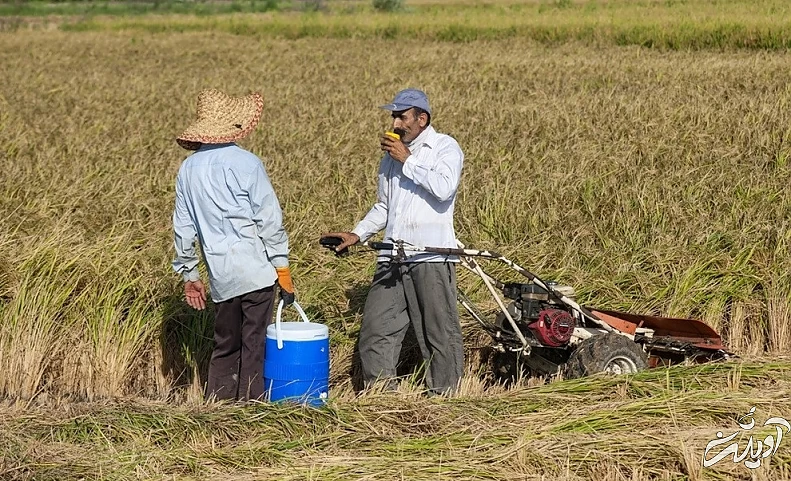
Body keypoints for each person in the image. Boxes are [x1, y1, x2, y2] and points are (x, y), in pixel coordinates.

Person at [325, 88, 465, 395]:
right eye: (394, 116)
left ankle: (448, 398)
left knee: (438, 333)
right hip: (392, 256)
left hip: (431, 256)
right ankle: (382, 401)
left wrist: (408, 160)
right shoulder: (390, 159)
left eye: (401, 116)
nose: (395, 123)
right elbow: (384, 207)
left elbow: (444, 188)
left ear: (421, 119)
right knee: (376, 332)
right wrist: (357, 234)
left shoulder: (444, 147)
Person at [171, 88, 295, 402]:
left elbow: (183, 229)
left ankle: (218, 407)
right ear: (234, 126)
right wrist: (283, 270)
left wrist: (190, 276)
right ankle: (250, 409)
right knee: (254, 344)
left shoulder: (187, 170)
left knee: (225, 345)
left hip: (220, 275)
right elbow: (269, 221)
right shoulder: (247, 163)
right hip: (256, 270)